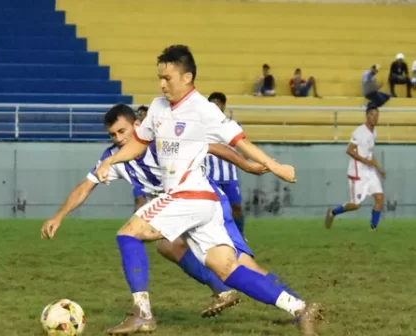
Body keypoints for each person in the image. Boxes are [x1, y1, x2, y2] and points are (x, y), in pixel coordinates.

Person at [94, 45, 322, 335]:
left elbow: (240, 141)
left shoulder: (204, 110)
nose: (163, 84)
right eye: (159, 78)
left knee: (128, 233)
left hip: (187, 195)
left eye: (168, 78)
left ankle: (143, 314)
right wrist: (112, 159)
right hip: (203, 202)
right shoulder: (158, 107)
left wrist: (275, 166)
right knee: (225, 267)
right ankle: (300, 309)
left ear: (187, 77)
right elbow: (139, 141)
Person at [41, 103, 274, 318]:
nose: (119, 138)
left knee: (243, 265)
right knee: (168, 246)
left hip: (206, 202)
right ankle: (223, 291)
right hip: (174, 209)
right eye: (113, 134)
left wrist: (246, 165)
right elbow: (85, 186)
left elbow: (212, 146)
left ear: (137, 125)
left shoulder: (162, 140)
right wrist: (59, 216)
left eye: (123, 131)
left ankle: (297, 308)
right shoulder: (114, 158)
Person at [325, 102, 385, 231]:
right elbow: (349, 150)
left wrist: (378, 168)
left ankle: (373, 228)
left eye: (377, 115)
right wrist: (366, 161)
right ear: (367, 116)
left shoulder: (374, 133)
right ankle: (333, 212)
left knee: (379, 197)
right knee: (355, 205)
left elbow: (370, 153)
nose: (375, 117)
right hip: (357, 173)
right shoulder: (360, 131)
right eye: (373, 115)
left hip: (369, 171)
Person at [205, 92, 246, 237]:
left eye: (218, 102)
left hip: (229, 176)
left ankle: (240, 238)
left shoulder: (233, 125)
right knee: (211, 210)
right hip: (209, 176)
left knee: (236, 207)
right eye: (212, 102)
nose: (215, 105)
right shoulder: (201, 126)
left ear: (223, 105)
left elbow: (243, 148)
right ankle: (213, 239)